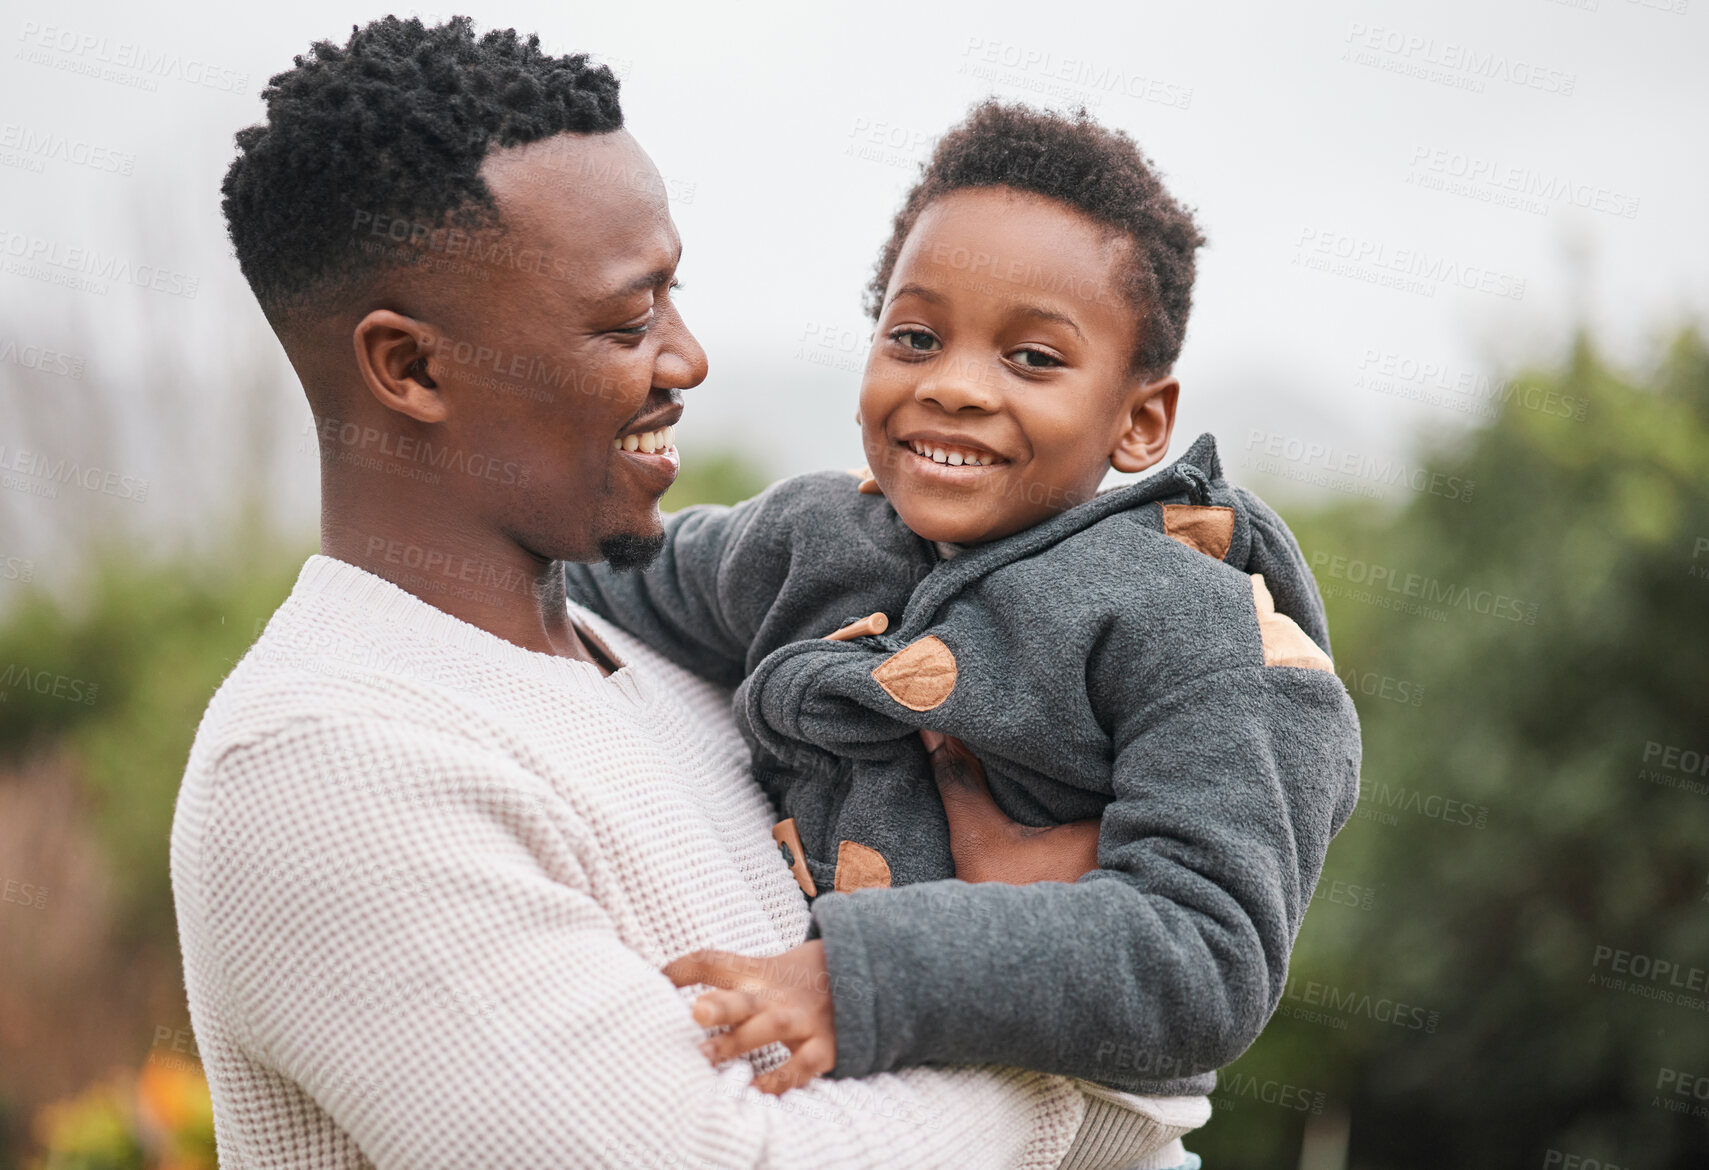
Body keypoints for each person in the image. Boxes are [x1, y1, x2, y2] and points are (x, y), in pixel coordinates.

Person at [171, 16, 1194, 1170]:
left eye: (673, 295)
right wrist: (1056, 1043)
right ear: (410, 368)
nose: (687, 357)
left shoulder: (678, 666)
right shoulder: (327, 767)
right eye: (626, 320)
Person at [564, 101, 1363, 1136]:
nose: (951, 386)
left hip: (1079, 1139)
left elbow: (1204, 959)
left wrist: (855, 982)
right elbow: (599, 580)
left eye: (1032, 359)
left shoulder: (1196, 629)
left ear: (1138, 420)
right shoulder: (810, 537)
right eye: (914, 337)